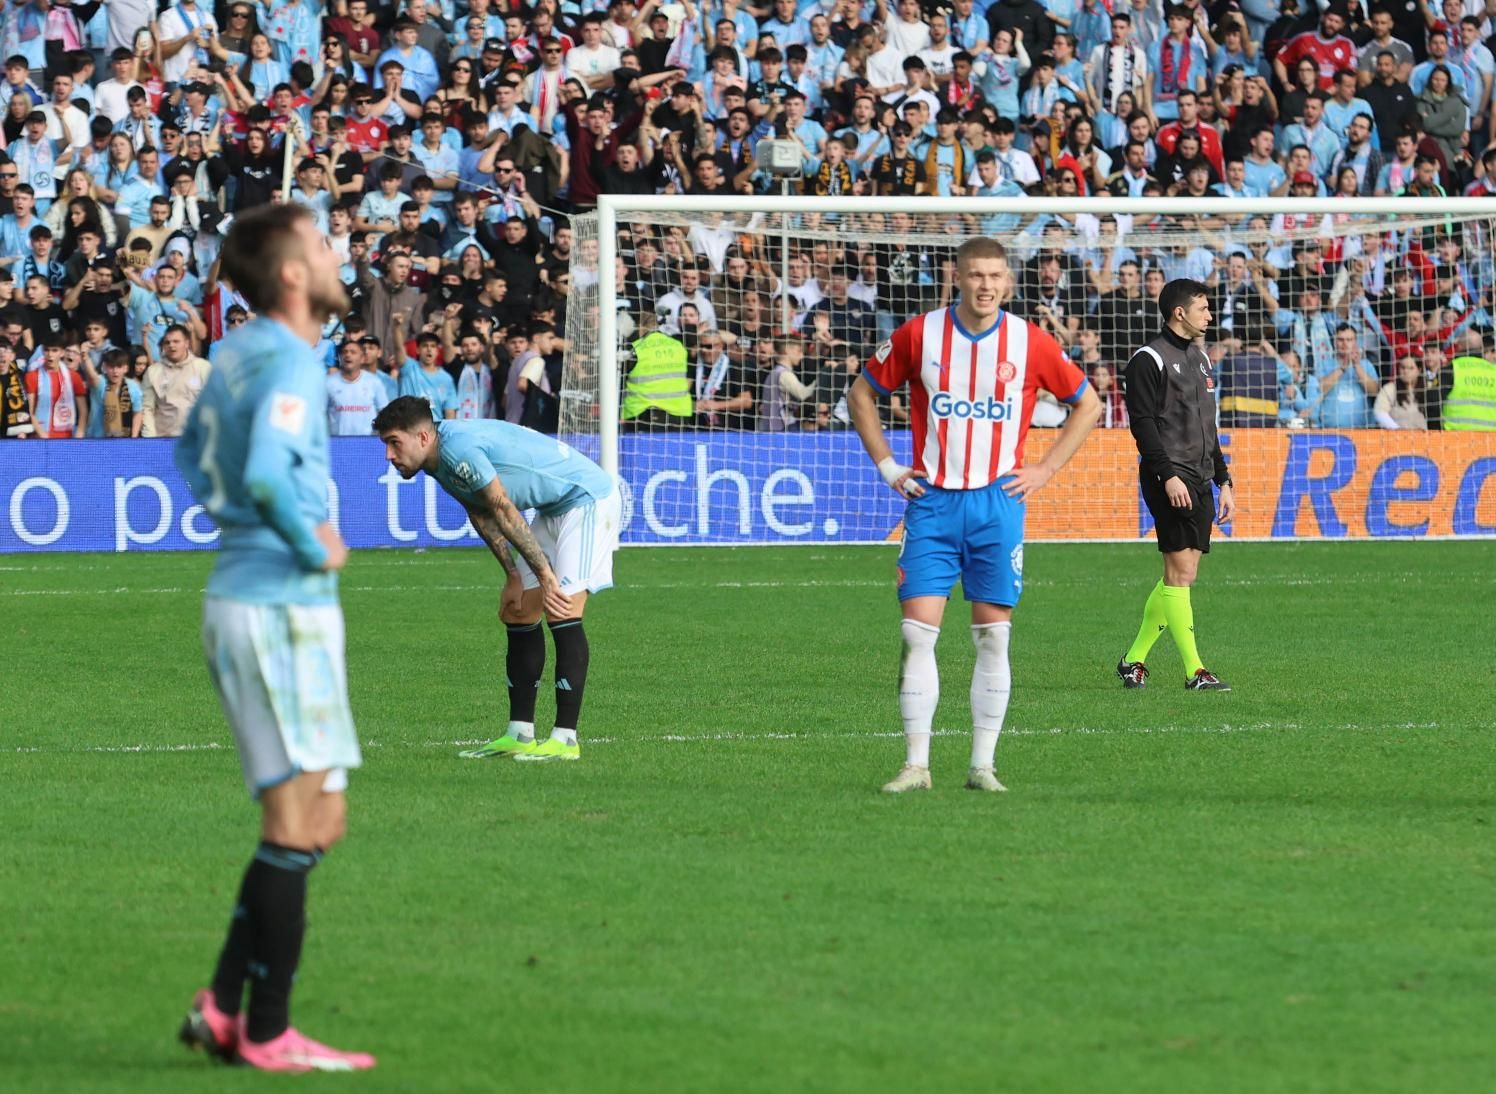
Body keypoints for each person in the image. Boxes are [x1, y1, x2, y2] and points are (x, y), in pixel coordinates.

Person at [173, 203, 375, 1073]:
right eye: (325, 246)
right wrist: (307, 540)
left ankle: (222, 1005)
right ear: (293, 273)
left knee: (317, 818)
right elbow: (261, 470)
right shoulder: (289, 356)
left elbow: (192, 454)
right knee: (300, 822)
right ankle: (266, 1030)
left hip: (244, 597)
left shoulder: (238, 352)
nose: (338, 258)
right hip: (279, 603)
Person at [847, 236, 1101, 794]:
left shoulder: (1029, 341)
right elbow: (861, 394)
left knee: (994, 639)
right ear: (957, 277)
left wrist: (1046, 469)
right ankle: (916, 765)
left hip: (997, 506)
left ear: (1007, 281)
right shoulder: (920, 333)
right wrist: (890, 468)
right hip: (932, 503)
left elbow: (1089, 403)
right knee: (917, 635)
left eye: (995, 276)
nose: (986, 285)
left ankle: (982, 765)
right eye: (976, 275)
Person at [374, 396, 621, 763]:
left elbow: (503, 507)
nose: (389, 455)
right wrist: (512, 576)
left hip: (586, 499)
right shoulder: (438, 459)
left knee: (562, 606)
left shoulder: (459, 449)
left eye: (394, 442)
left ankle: (566, 738)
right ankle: (519, 733)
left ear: (422, 438)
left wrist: (544, 577)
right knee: (519, 610)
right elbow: (481, 511)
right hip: (555, 507)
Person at [1115, 278, 1234, 693]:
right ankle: (1195, 671)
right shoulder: (1148, 359)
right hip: (1170, 476)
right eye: (1203, 308)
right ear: (1179, 312)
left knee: (1179, 576)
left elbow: (1208, 424)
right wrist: (1166, 476)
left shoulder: (1201, 359)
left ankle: (1132, 661)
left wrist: (1224, 479)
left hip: (1200, 476)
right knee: (1180, 574)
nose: (1210, 315)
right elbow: (1142, 424)